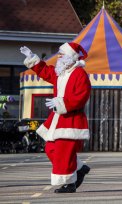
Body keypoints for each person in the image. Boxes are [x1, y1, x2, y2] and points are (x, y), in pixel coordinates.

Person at [20, 43, 91, 193]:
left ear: (70, 57)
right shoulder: (62, 72)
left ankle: (69, 183)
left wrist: (62, 103)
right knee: (50, 148)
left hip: (71, 119)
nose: (58, 56)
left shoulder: (79, 74)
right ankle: (79, 168)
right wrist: (32, 58)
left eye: (61, 53)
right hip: (58, 118)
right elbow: (46, 71)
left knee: (63, 152)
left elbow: (81, 97)